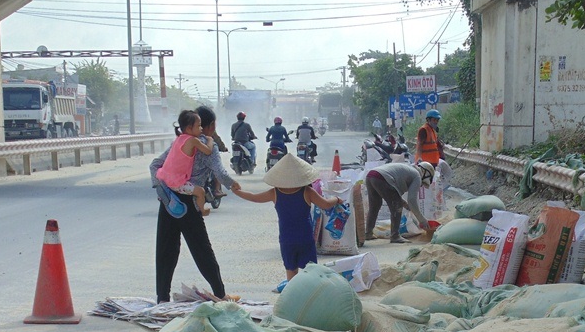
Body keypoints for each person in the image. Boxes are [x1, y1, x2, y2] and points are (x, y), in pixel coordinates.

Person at [149, 107, 241, 303]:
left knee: (166, 250)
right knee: (202, 250)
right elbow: (220, 173)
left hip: (169, 200)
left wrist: (162, 191)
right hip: (189, 202)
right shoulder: (208, 146)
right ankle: (220, 294)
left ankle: (162, 298)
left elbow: (155, 165)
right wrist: (234, 186)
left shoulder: (179, 142)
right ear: (211, 126)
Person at [232, 153, 340, 281]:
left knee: (291, 273)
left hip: (286, 239)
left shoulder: (275, 193)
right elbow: (326, 204)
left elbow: (254, 197)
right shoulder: (307, 191)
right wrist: (336, 199)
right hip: (305, 238)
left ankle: (293, 298)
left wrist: (236, 191)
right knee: (311, 274)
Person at [156, 109, 214, 217]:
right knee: (200, 191)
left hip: (165, 177)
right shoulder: (193, 140)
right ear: (189, 128)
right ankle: (202, 211)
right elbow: (208, 151)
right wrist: (210, 140)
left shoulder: (179, 139)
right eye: (199, 126)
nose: (201, 128)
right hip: (177, 181)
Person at [364, 161, 434, 244]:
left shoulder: (409, 169)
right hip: (382, 177)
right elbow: (412, 200)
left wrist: (405, 204)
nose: (421, 185)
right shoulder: (417, 176)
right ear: (425, 172)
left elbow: (393, 194)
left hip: (371, 176)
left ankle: (368, 233)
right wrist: (422, 220)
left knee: (374, 206)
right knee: (397, 207)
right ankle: (395, 236)